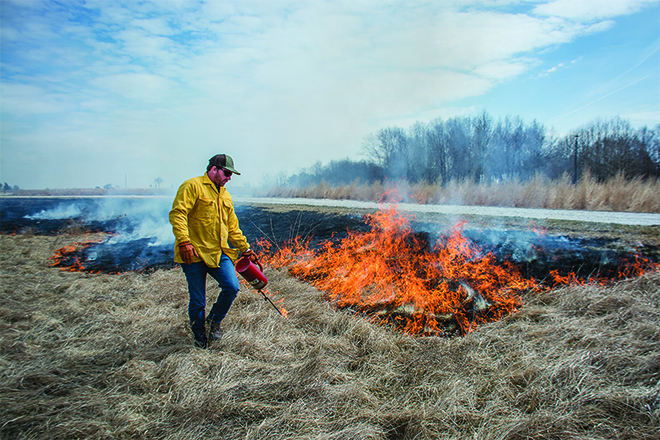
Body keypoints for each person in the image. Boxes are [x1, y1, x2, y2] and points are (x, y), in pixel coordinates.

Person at [169, 154, 258, 348]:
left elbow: (233, 228)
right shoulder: (192, 186)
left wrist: (246, 248)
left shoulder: (225, 194)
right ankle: (200, 339)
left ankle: (214, 321)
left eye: (231, 174)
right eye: (227, 172)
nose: (229, 177)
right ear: (214, 169)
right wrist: (184, 241)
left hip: (219, 253)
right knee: (198, 301)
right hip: (193, 253)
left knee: (232, 287)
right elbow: (178, 214)